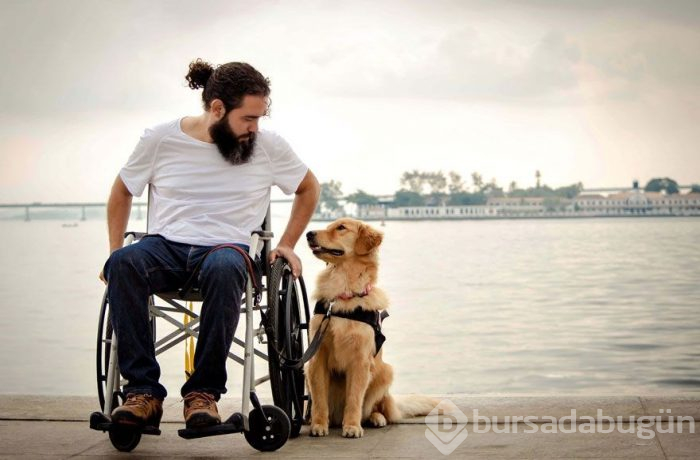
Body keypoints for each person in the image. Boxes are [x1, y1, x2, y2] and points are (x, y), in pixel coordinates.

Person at [100, 59, 320, 430]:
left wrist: (286, 243)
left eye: (260, 118)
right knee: (122, 262)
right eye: (248, 118)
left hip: (227, 251)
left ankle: (202, 394)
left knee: (224, 266)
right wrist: (111, 253)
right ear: (217, 108)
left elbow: (309, 188)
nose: (255, 127)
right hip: (165, 247)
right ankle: (143, 394)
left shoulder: (268, 146)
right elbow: (122, 191)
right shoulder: (160, 138)